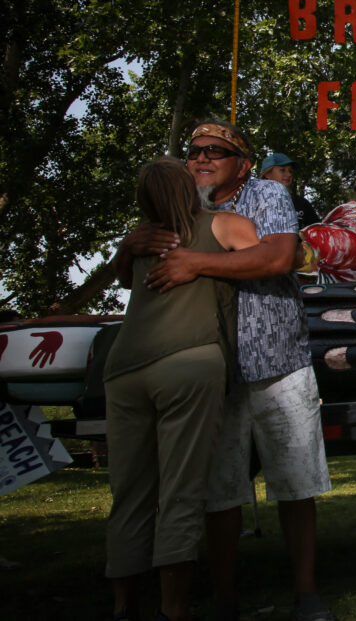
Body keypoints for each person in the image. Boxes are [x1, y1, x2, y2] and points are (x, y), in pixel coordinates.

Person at [127, 121, 335, 621]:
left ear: (242, 163)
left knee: (296, 481)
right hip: (209, 367)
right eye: (194, 151)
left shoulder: (267, 193)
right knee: (220, 491)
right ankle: (224, 599)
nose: (200, 158)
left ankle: (305, 592)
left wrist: (196, 263)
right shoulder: (180, 206)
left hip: (277, 360)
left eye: (215, 152)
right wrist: (129, 246)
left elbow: (281, 255)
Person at [105, 157, 258, 621]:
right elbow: (272, 257)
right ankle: (174, 608)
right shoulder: (222, 225)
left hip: (125, 367)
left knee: (129, 493)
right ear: (187, 187)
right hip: (188, 362)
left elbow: (121, 281)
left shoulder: (139, 239)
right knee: (181, 491)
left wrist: (127, 251)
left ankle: (124, 606)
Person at [260, 152, 321, 229]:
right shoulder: (254, 201)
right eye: (282, 170)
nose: (289, 174)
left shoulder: (301, 203)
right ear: (267, 174)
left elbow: (318, 232)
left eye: (290, 171)